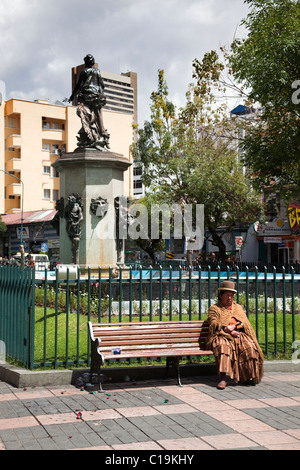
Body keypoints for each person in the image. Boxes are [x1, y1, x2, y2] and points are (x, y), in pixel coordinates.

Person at [206, 280, 264, 390]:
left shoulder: (238, 308)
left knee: (249, 347)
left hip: (238, 334)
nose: (229, 298)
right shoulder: (215, 308)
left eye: (231, 296)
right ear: (221, 295)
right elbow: (213, 323)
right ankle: (223, 378)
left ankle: (247, 376)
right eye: (227, 295)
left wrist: (234, 327)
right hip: (220, 335)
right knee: (223, 347)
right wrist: (227, 330)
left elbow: (244, 323)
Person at [68, 54, 110, 150]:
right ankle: (100, 132)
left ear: (86, 63)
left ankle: (90, 135)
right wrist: (100, 95)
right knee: (97, 114)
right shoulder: (97, 72)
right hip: (96, 97)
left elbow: (78, 85)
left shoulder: (84, 72)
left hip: (86, 95)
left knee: (86, 113)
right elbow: (102, 85)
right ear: (93, 62)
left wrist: (72, 96)